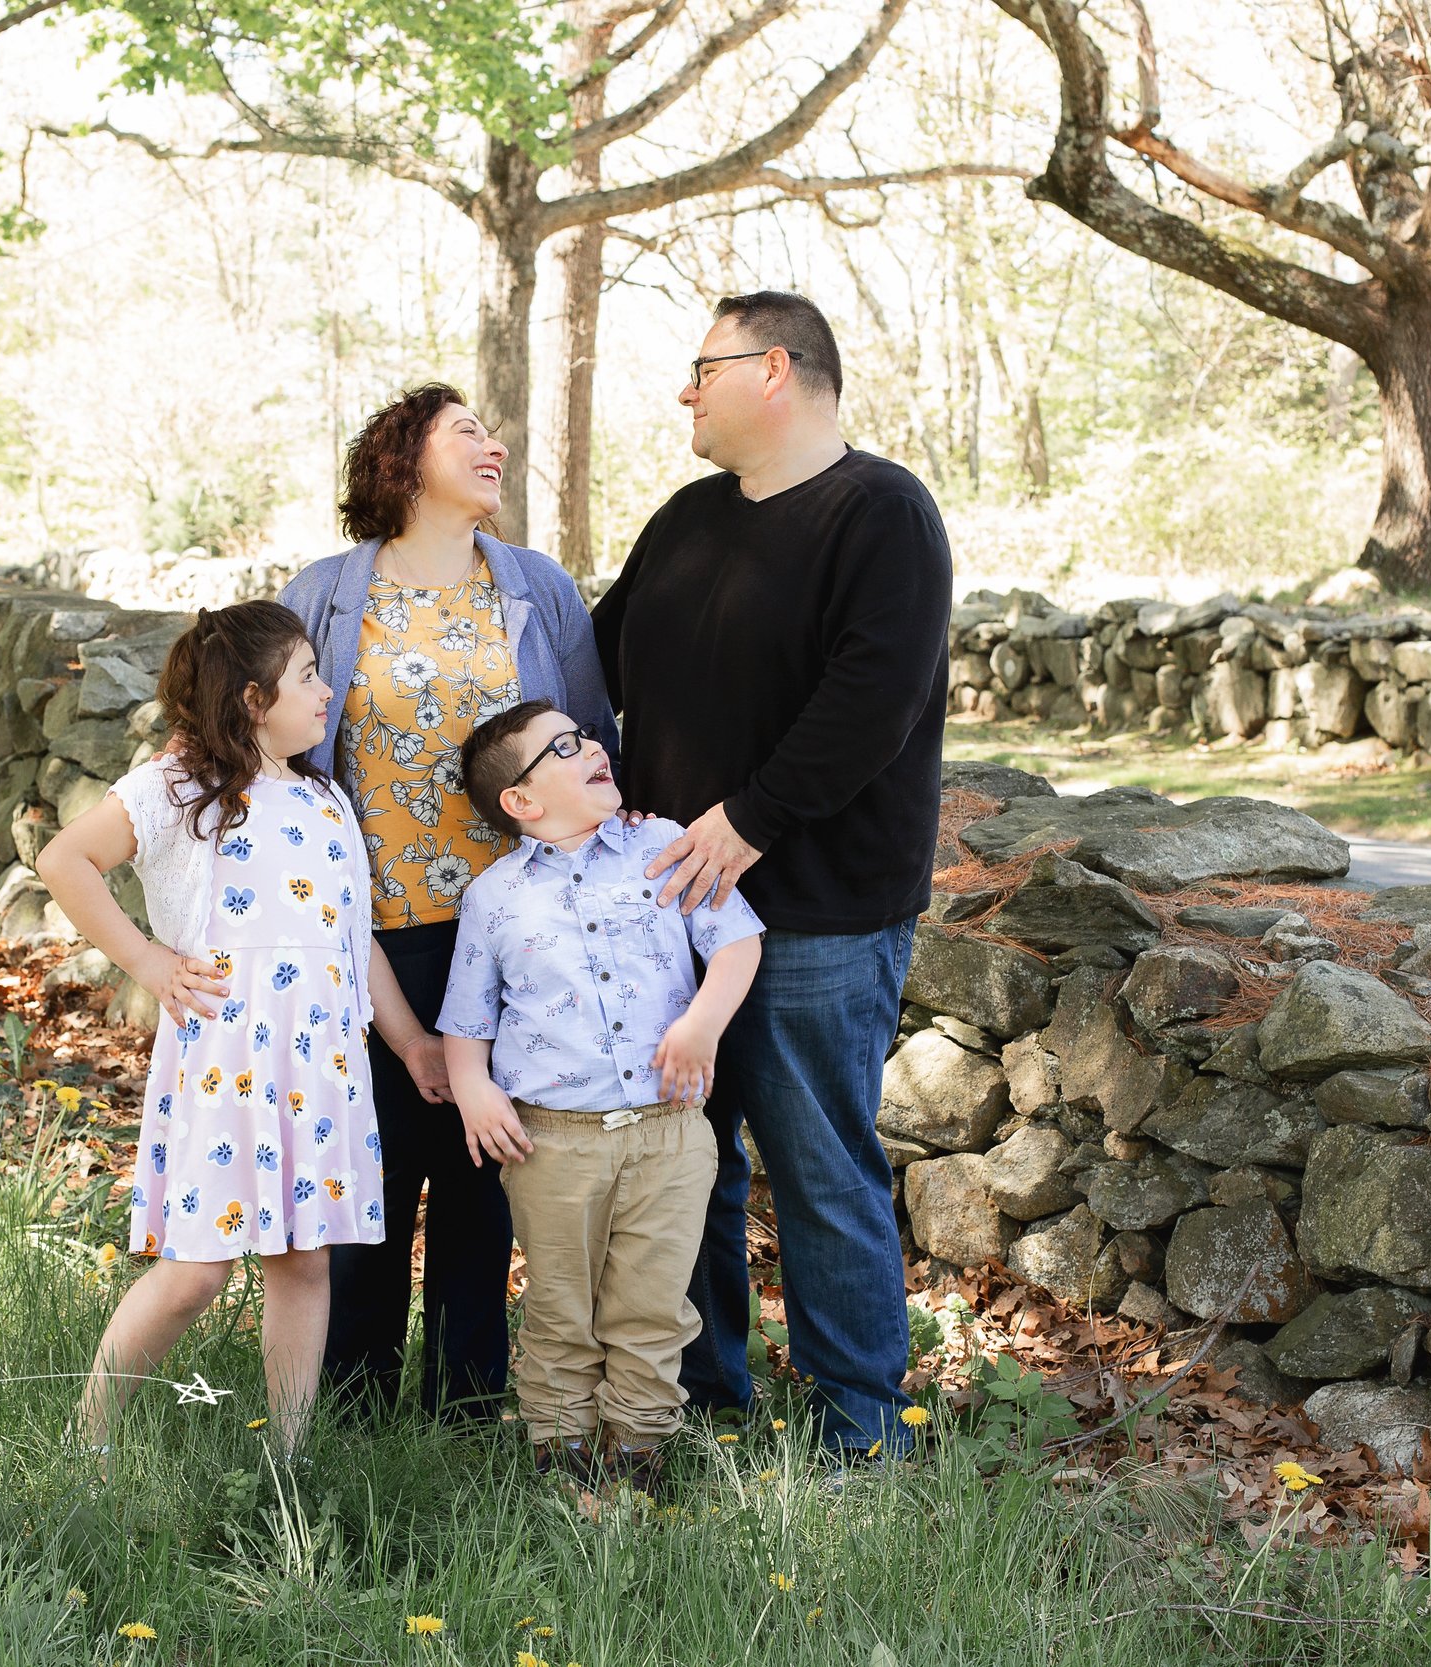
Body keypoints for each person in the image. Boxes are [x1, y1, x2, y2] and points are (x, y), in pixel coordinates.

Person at [592, 291, 951, 1459]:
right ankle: (703, 1402)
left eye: (702, 365)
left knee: (818, 1172)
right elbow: (596, 662)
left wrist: (748, 819)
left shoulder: (881, 513)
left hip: (812, 918)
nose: (684, 390)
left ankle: (861, 1432)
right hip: (670, 915)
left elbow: (872, 700)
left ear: (776, 368)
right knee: (680, 1169)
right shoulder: (688, 518)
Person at [35, 600, 444, 1462]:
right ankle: (89, 1435)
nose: (327, 691)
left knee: (302, 1261)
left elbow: (352, 934)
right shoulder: (181, 785)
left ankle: (288, 1458)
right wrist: (148, 961)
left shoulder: (325, 799)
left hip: (319, 1064)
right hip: (228, 1058)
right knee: (197, 1268)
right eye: (307, 677)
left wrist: (407, 1040)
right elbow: (63, 860)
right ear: (254, 699)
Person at [278, 384, 617, 1421]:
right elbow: (275, 765)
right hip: (368, 941)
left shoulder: (536, 589)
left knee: (483, 1187)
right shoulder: (326, 596)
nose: (495, 443)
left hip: (517, 938)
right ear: (401, 457)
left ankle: (468, 1413)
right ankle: (351, 1413)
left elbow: (593, 741)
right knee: (366, 1185)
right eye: (465, 429)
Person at [435, 701, 763, 1500]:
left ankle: (637, 1455)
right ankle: (562, 1456)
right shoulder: (495, 896)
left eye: (586, 737)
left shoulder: (663, 844)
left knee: (653, 1307)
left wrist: (701, 1026)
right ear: (521, 800)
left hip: (670, 1132)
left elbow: (737, 943)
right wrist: (474, 1089)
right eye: (563, 747)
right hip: (551, 1143)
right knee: (558, 1309)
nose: (591, 750)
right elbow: (470, 1019)